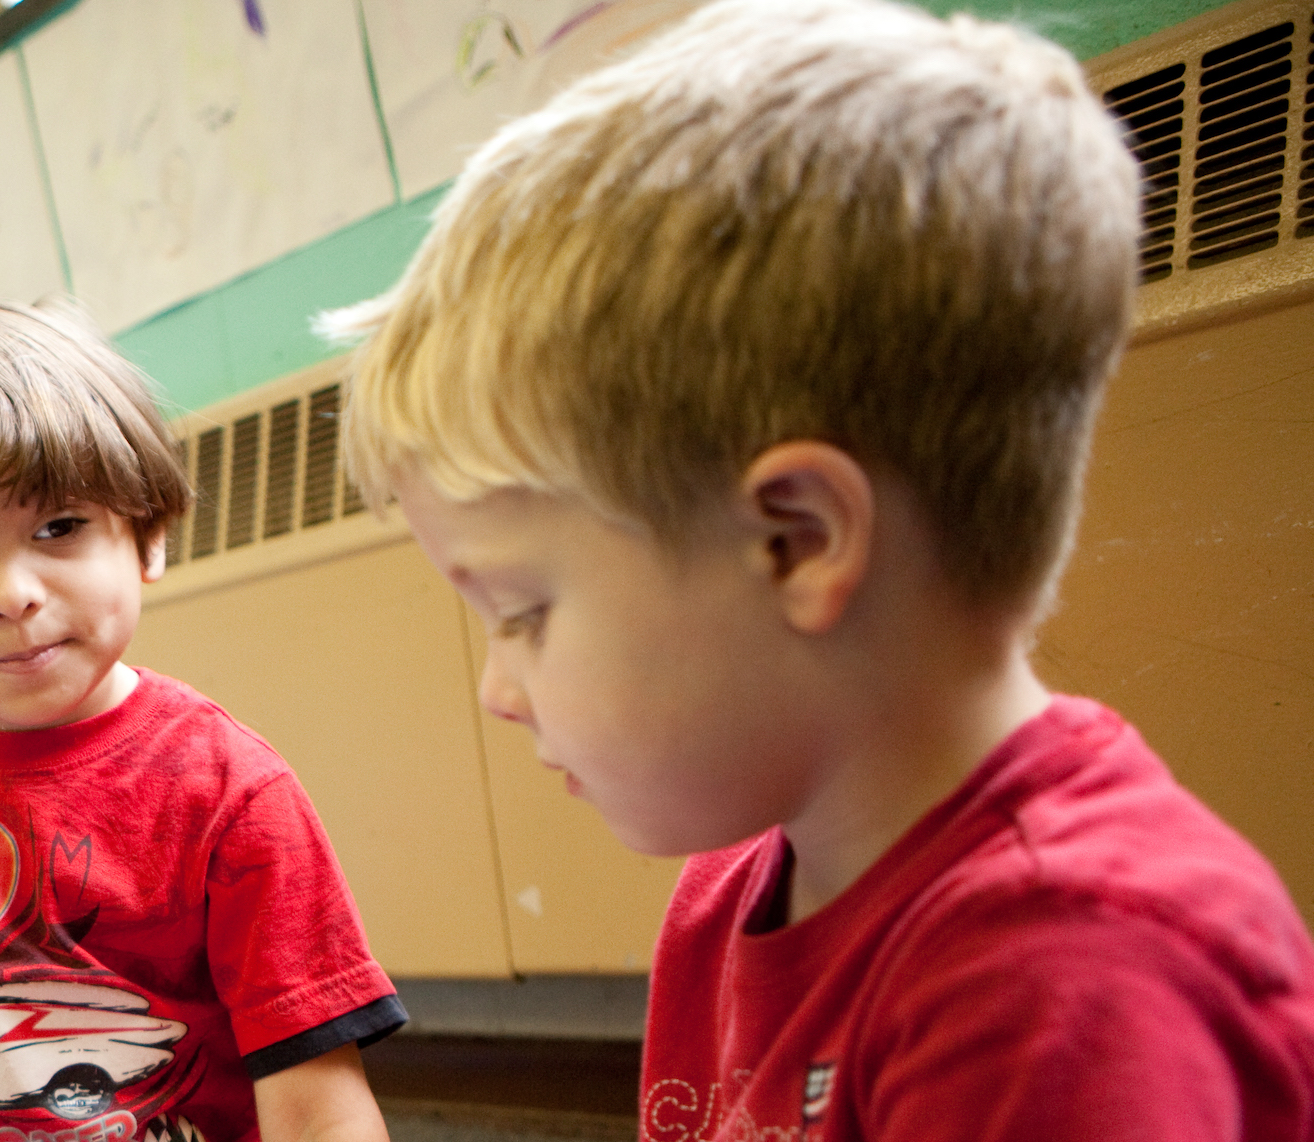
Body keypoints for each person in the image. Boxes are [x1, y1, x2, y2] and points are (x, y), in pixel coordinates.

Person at [330, 0, 1314, 1136]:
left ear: (796, 540)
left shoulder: (1062, 976)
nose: (499, 690)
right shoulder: (734, 889)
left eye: (525, 611)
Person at [0, 302, 402, 1142]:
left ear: (145, 535)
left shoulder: (232, 789)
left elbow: (316, 1097)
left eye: (59, 526)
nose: (11, 596)